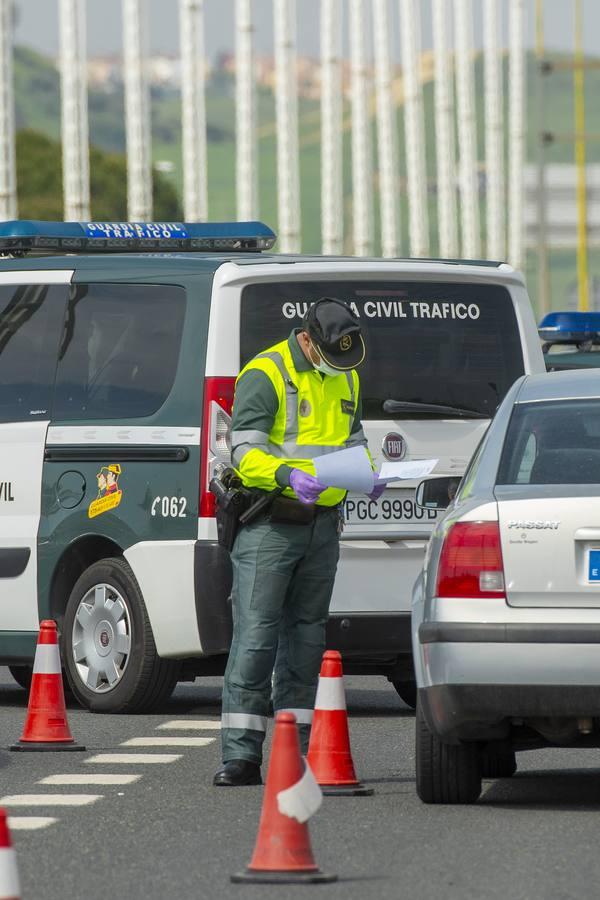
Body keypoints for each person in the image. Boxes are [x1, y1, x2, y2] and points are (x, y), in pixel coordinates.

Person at [213, 297, 385, 786]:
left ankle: (301, 749)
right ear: (307, 340)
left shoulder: (345, 372)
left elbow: (353, 441)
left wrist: (368, 474)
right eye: (329, 359)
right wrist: (287, 474)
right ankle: (241, 756)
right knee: (256, 638)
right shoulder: (265, 374)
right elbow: (244, 453)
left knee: (308, 639)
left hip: (322, 524)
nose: (338, 370)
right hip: (270, 523)